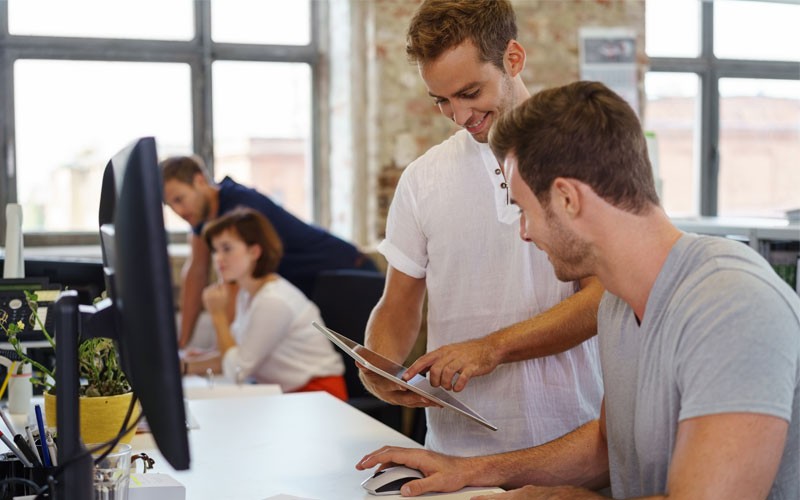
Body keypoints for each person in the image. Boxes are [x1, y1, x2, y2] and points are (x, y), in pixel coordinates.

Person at [356, 81, 800, 499]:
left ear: (568, 199)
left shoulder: (733, 305)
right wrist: (471, 470)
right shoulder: (617, 307)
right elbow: (610, 447)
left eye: (524, 210)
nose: (524, 233)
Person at [360, 0, 604, 457]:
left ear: (513, 59)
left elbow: (600, 300)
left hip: (573, 447)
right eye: (442, 101)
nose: (459, 115)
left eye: (471, 92)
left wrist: (492, 349)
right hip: (454, 456)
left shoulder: (584, 156)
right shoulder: (422, 178)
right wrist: (377, 364)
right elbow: (397, 304)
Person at [161, 155, 377, 348]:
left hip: (347, 275)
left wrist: (226, 355)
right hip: (312, 287)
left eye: (180, 199)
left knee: (360, 378)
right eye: (170, 205)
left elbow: (233, 283)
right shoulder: (202, 218)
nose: (178, 211)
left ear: (199, 181)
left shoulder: (239, 209)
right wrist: (181, 344)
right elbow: (196, 271)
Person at [183, 207, 348, 400]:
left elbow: (237, 370)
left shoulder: (273, 301)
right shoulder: (247, 294)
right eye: (215, 250)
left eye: (227, 249)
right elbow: (236, 354)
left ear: (254, 251)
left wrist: (218, 315)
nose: (218, 258)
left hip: (317, 396)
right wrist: (186, 365)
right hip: (287, 395)